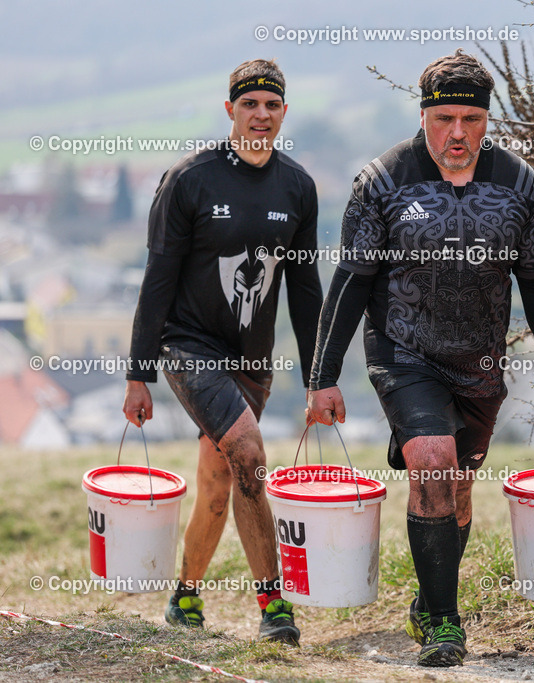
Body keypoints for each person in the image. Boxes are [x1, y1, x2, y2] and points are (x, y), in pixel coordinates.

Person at [306, 49, 534, 667]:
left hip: (479, 357)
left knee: (456, 485)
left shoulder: (519, 184)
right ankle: (446, 624)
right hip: (403, 350)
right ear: (423, 115)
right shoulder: (383, 180)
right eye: (444, 118)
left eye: (472, 120)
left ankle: (430, 599)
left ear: (487, 120)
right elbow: (349, 282)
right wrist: (322, 378)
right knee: (433, 458)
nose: (458, 134)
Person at [122, 59, 322, 645]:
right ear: (230, 109)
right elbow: (157, 278)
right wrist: (139, 374)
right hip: (187, 344)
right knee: (250, 452)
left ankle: (184, 597)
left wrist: (320, 376)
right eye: (249, 104)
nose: (261, 114)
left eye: (272, 105)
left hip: (251, 359)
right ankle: (274, 605)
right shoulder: (191, 179)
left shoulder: (298, 186)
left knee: (219, 479)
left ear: (284, 112)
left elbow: (306, 289)